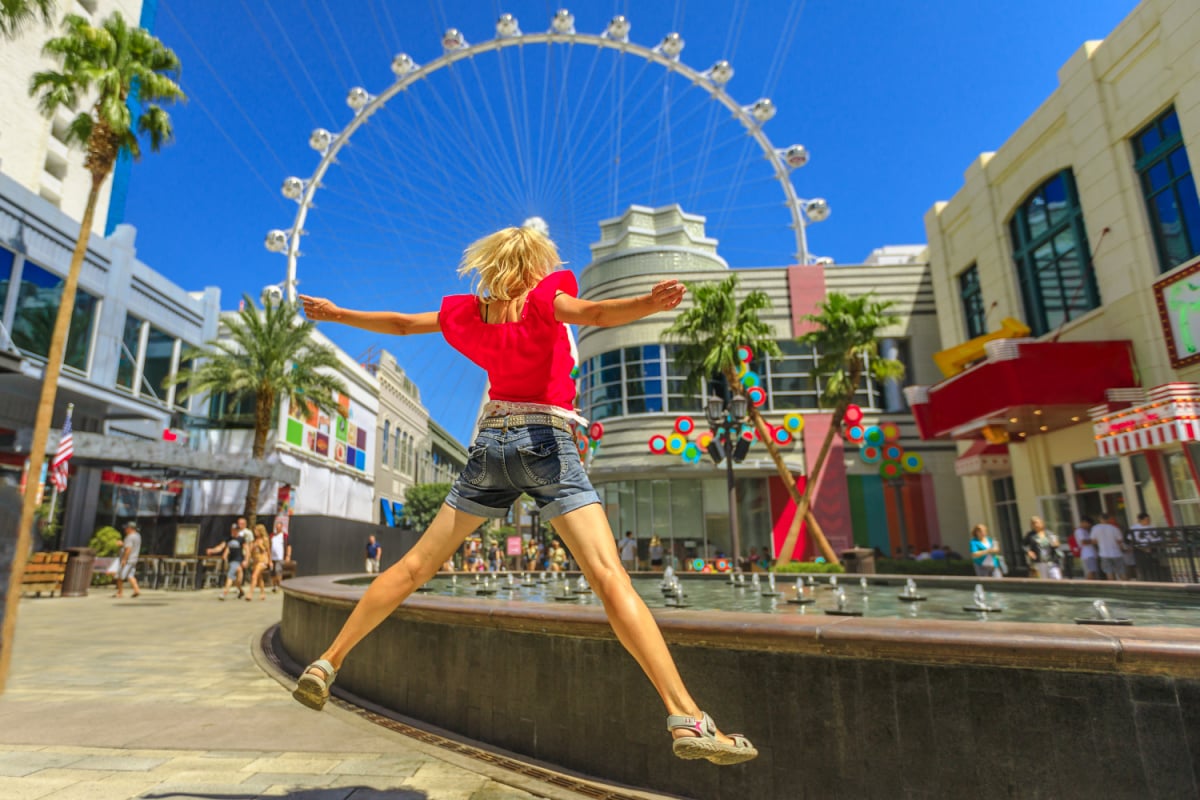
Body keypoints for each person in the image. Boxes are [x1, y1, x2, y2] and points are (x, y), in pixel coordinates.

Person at [292, 226, 755, 764]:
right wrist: (648, 303)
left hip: (490, 445)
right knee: (608, 577)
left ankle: (328, 660)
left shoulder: (468, 314)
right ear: (538, 263)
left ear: (489, 266)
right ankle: (685, 716)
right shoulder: (545, 296)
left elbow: (399, 325)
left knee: (417, 565)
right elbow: (596, 316)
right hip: (547, 442)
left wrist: (337, 314)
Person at [207, 526, 245, 600]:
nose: (234, 531)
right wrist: (212, 550)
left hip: (238, 560)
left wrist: (246, 560)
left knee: (233, 577)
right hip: (231, 560)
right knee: (236, 579)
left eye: (235, 530)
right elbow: (221, 547)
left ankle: (225, 593)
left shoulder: (241, 539)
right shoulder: (228, 539)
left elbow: (247, 549)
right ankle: (239, 591)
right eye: (232, 530)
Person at [1089, 515, 1128, 581]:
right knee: (1121, 572)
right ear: (1109, 519)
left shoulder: (1095, 528)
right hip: (1116, 553)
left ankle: (1113, 588)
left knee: (1109, 572)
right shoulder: (1114, 528)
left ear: (1099, 519)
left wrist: (1100, 541)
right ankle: (1127, 587)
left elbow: (1093, 541)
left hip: (1104, 554)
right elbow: (1120, 540)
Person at [113, 521, 142, 598]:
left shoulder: (129, 537)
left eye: (126, 528)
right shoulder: (137, 536)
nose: (125, 529)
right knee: (130, 575)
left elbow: (128, 549)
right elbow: (130, 546)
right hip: (134, 559)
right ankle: (136, 590)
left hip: (128, 560)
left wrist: (124, 559)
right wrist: (123, 544)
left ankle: (120, 592)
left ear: (130, 528)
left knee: (119, 576)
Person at [246, 524, 272, 601]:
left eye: (256, 530)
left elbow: (267, 550)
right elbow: (252, 551)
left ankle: (250, 593)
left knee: (254, 576)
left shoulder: (265, 539)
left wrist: (270, 561)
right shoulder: (255, 540)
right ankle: (263, 593)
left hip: (262, 560)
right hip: (256, 561)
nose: (255, 532)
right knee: (259, 578)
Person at [270, 519, 291, 592]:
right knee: (272, 572)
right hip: (272, 557)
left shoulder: (285, 536)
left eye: (278, 527)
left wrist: (288, 556)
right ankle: (274, 585)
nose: (277, 528)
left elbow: (288, 546)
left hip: (280, 557)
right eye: (276, 527)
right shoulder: (272, 535)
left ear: (281, 527)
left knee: (278, 571)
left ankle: (279, 585)